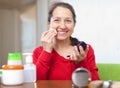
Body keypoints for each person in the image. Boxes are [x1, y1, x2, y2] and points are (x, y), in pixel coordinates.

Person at [32, 2, 100, 81]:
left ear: (74, 24)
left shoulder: (85, 50)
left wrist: (81, 62)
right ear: (49, 23)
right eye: (57, 20)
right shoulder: (39, 52)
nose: (63, 26)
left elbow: (96, 83)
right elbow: (36, 83)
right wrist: (46, 52)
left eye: (68, 21)